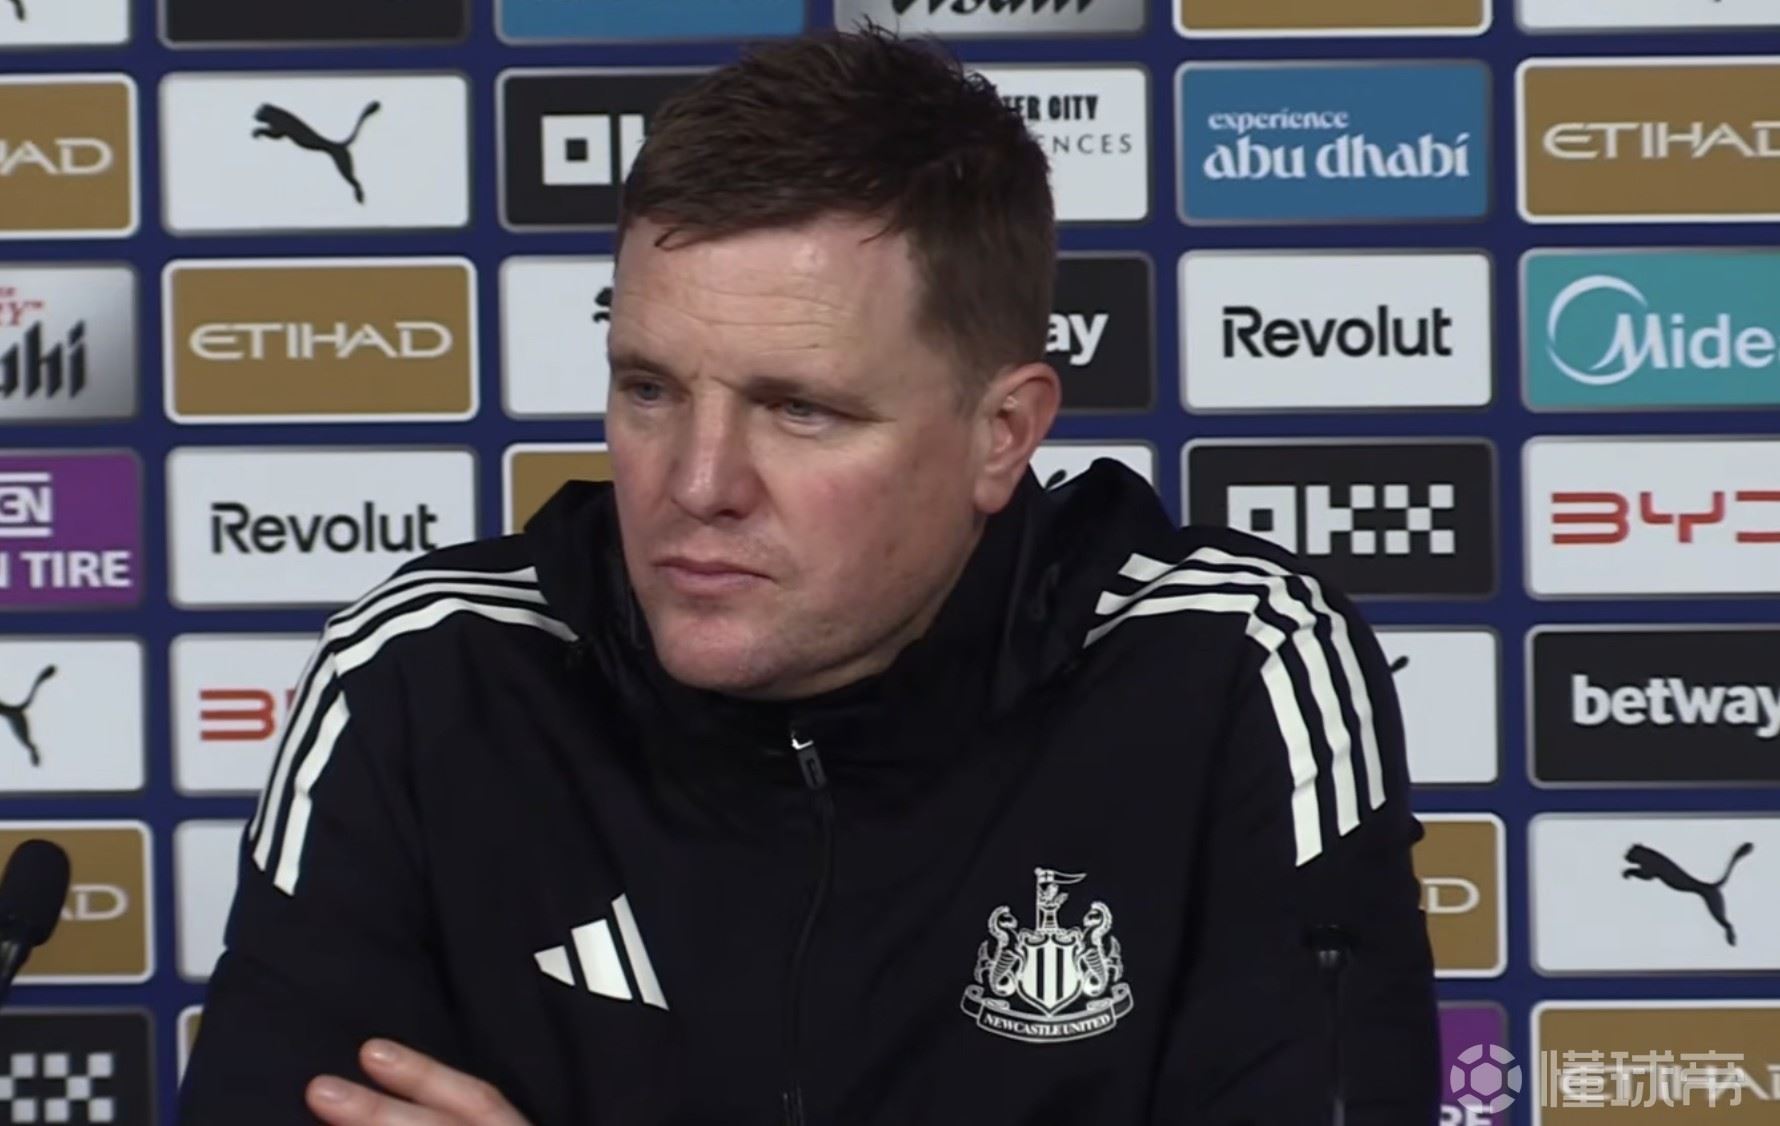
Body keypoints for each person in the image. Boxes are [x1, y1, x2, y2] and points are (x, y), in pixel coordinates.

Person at [178, 24, 1438, 1126]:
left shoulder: (1224, 667)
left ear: (1001, 434)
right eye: (648, 389)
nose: (698, 481)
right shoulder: (431, 673)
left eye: (800, 409)